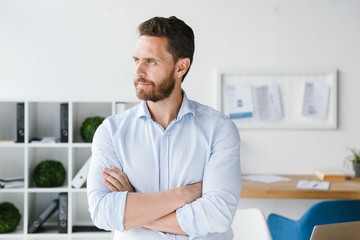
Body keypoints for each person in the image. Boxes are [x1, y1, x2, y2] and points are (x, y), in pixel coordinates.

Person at [87, 16, 241, 240]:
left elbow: (217, 215)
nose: (139, 71)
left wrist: (133, 205)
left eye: (151, 62)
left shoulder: (219, 129)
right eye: (136, 60)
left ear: (181, 67)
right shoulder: (111, 131)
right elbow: (102, 212)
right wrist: (185, 194)